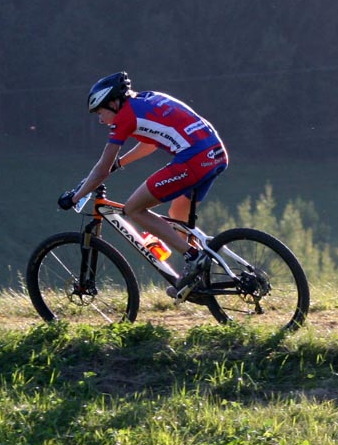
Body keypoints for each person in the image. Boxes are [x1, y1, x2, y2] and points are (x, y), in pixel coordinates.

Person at [58, 71, 229, 299]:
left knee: (133, 209)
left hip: (194, 159)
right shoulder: (147, 99)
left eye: (100, 112)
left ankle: (194, 257)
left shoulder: (124, 117)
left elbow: (101, 170)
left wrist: (75, 197)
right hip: (215, 153)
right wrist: (120, 163)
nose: (100, 120)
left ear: (113, 103)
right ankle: (196, 278)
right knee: (177, 214)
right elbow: (149, 144)